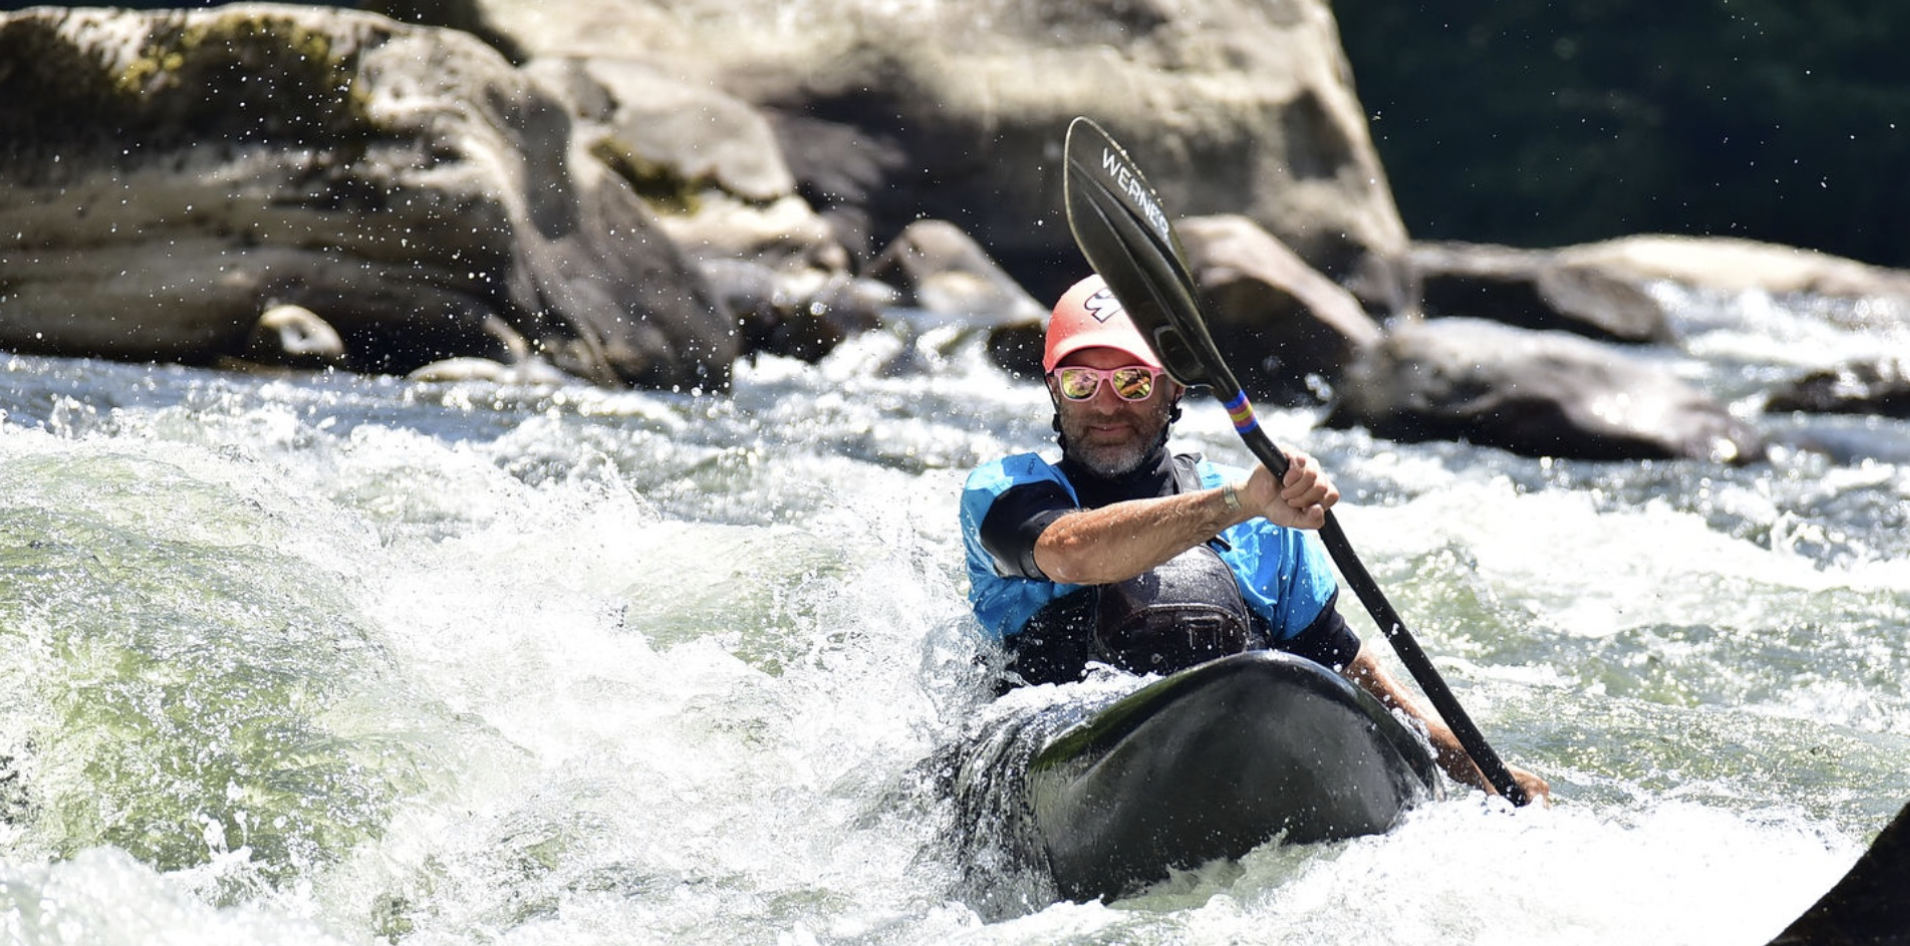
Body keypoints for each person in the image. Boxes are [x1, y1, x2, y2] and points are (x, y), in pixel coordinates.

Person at [959, 274, 1549, 802]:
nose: (1106, 404)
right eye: (1081, 382)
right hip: (1060, 781)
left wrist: (1483, 773)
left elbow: (1345, 671)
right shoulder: (1003, 493)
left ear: (1174, 389)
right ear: (1054, 389)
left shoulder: (1262, 520)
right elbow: (1072, 554)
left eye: (1133, 382)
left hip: (1217, 775)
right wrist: (1237, 503)